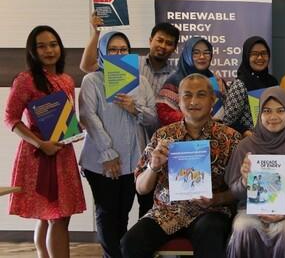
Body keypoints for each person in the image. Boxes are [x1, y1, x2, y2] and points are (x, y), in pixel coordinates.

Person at [120, 73, 242, 258]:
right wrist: (154, 167)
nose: (193, 101)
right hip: (166, 212)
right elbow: (141, 188)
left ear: (212, 100)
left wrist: (216, 199)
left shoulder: (230, 138)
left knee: (211, 233)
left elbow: (240, 189)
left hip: (210, 212)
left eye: (201, 95)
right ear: (178, 101)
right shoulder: (163, 136)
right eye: (187, 95)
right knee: (130, 243)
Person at [4, 26, 87, 258]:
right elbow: (10, 119)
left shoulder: (66, 80)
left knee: (51, 216)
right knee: (56, 216)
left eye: (53, 44)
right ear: (33, 51)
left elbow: (67, 117)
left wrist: (77, 129)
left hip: (63, 152)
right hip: (39, 155)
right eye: (41, 46)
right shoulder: (25, 80)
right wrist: (41, 144)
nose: (49, 50)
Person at [78, 31, 157, 258]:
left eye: (123, 49)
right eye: (113, 50)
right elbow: (88, 117)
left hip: (133, 162)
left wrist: (135, 108)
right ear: (103, 53)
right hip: (102, 162)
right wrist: (108, 153)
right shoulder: (92, 80)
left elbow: (153, 119)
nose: (118, 53)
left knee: (123, 214)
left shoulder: (141, 82)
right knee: (106, 213)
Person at [225, 87, 285, 258]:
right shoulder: (246, 146)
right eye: (267, 111)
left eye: (280, 110)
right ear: (259, 114)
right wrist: (244, 181)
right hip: (252, 210)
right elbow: (235, 193)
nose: (273, 116)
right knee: (243, 227)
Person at [79, 14, 180, 95]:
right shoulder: (129, 62)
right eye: (160, 40)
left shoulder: (176, 77)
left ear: (174, 48)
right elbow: (88, 67)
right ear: (150, 40)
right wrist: (96, 33)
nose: (163, 46)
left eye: (169, 43)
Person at [157, 37, 226, 126]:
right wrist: (197, 119)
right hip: (182, 133)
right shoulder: (174, 81)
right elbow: (164, 114)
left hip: (214, 132)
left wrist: (222, 94)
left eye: (206, 53)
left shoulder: (214, 80)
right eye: (196, 53)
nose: (202, 57)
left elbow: (223, 115)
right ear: (187, 55)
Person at [223, 36, 279, 136]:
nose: (260, 57)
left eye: (264, 53)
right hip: (250, 141)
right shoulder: (240, 84)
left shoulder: (273, 82)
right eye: (254, 54)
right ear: (246, 57)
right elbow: (228, 121)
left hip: (274, 138)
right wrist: (246, 132)